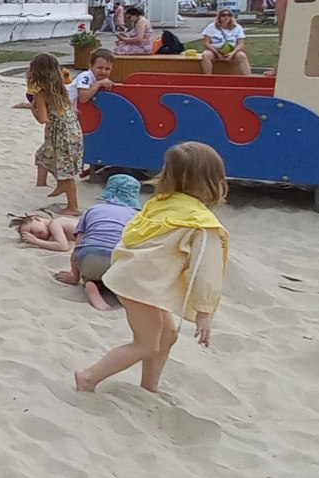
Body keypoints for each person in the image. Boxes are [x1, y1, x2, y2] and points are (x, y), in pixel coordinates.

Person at [76, 142, 229, 394]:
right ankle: (88, 377)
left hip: (134, 276)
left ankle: (149, 386)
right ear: (213, 181)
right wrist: (204, 311)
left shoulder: (160, 202)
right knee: (146, 344)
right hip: (140, 284)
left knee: (168, 334)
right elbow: (206, 271)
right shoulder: (203, 225)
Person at [17, 174, 144, 311]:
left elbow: (78, 246)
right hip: (115, 259)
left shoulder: (92, 210)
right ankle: (113, 290)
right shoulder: (136, 216)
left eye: (32, 230)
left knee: (91, 271)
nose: (34, 235)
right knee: (122, 276)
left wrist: (74, 276)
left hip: (88, 257)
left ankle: (91, 283)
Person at [14, 53, 82, 214]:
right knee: (44, 156)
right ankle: (61, 185)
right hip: (72, 132)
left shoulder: (41, 93)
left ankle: (73, 207)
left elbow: (42, 119)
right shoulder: (59, 89)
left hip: (60, 136)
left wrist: (33, 109)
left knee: (65, 170)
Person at [200, 9, 250, 75]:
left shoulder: (237, 27)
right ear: (219, 17)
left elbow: (241, 44)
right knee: (205, 55)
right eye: (224, 15)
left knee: (242, 56)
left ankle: (248, 77)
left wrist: (232, 53)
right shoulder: (211, 27)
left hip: (232, 50)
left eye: (229, 15)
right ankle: (208, 76)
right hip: (214, 50)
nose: (227, 17)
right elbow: (206, 43)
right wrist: (217, 53)